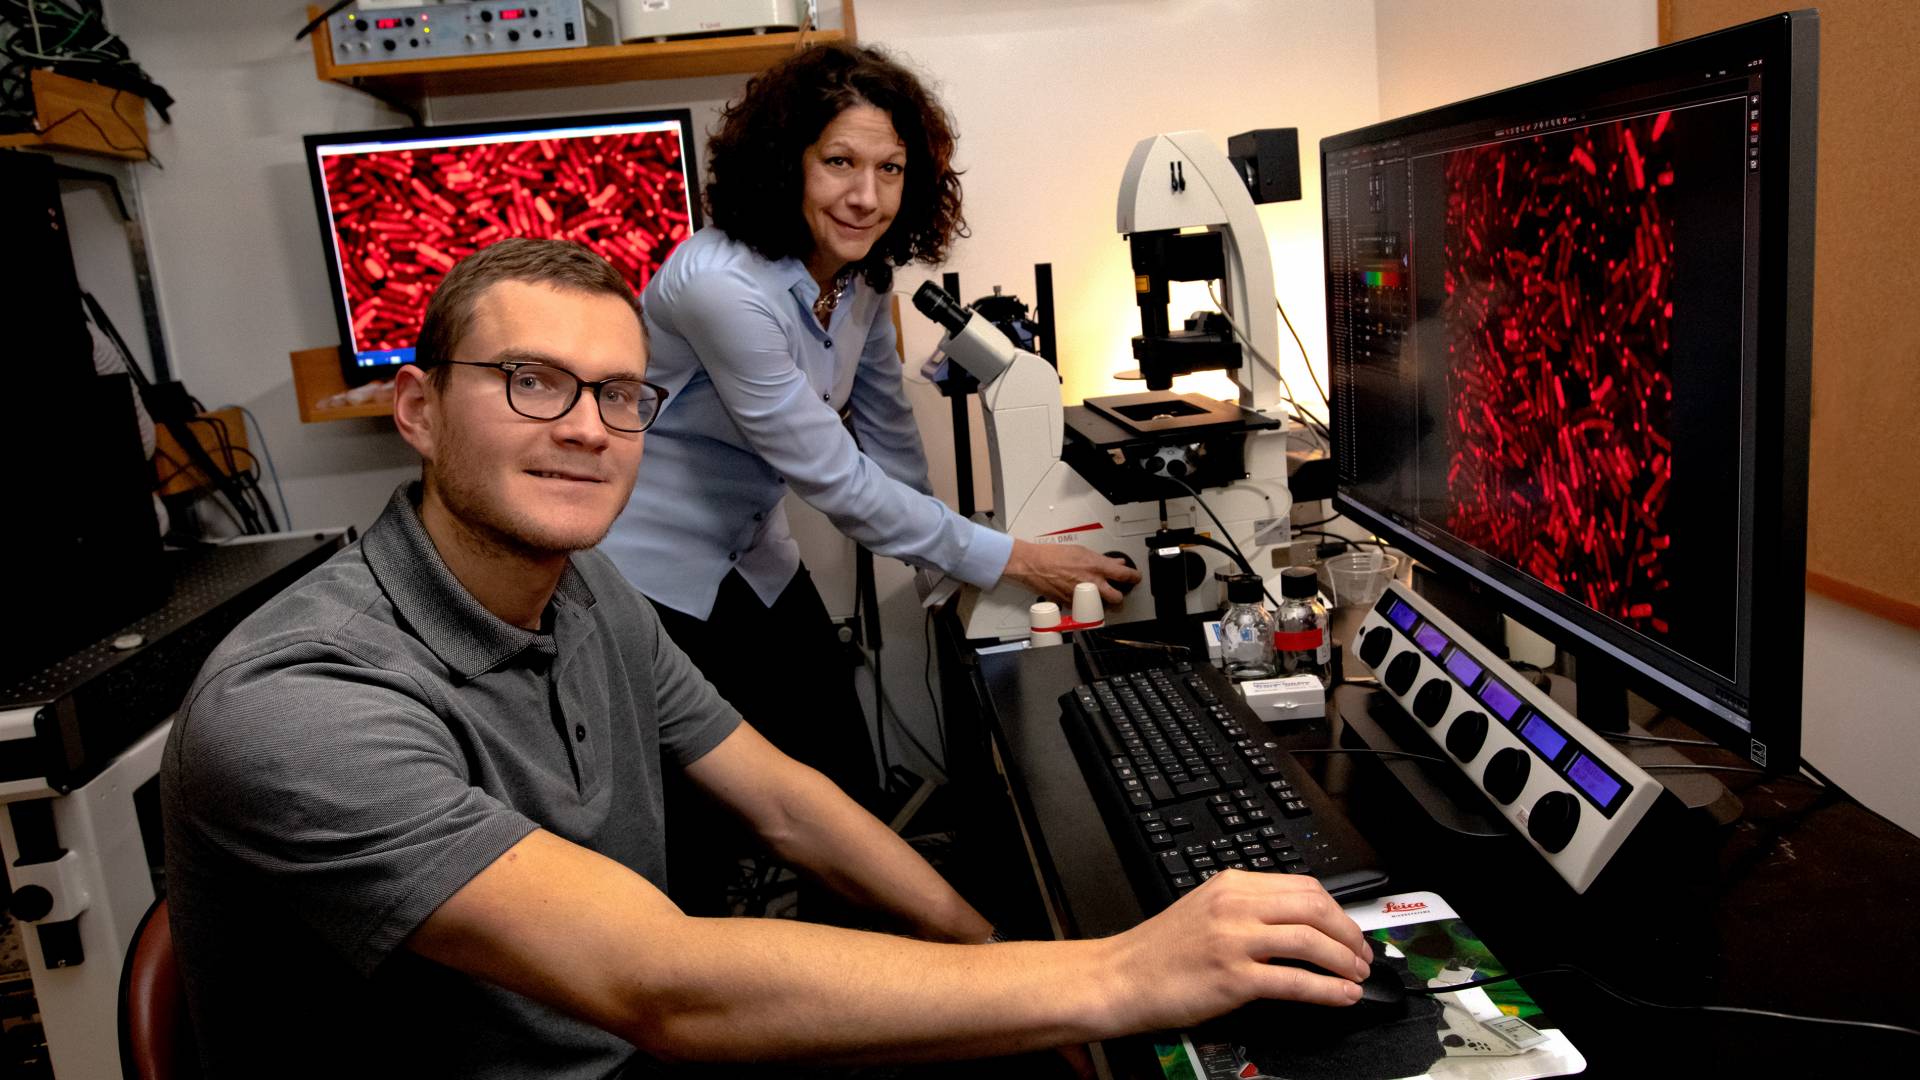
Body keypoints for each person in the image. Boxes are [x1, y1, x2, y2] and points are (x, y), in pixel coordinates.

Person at [160, 239, 1373, 1078]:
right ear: (418, 411)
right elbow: (660, 983)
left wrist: (997, 956)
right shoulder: (298, 701)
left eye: (621, 395)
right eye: (532, 384)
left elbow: (787, 803)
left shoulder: (589, 597)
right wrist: (1114, 975)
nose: (586, 428)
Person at [598, 43, 1139, 854]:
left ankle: (871, 968)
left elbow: (887, 432)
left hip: (754, 555)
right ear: (789, 162)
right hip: (656, 579)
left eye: (890, 170)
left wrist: (945, 581)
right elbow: (834, 477)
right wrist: (1010, 559)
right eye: (841, 163)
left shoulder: (863, 279)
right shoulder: (719, 286)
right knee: (704, 832)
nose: (866, 197)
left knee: (843, 791)